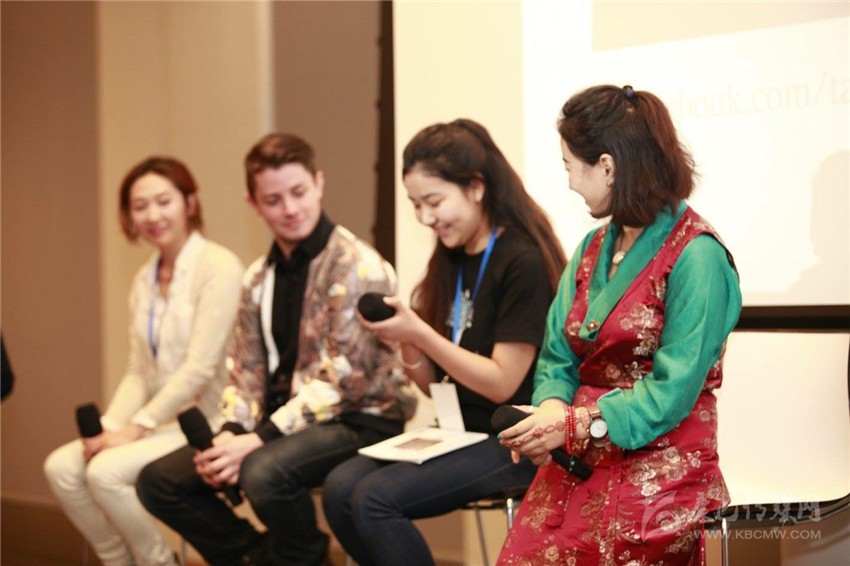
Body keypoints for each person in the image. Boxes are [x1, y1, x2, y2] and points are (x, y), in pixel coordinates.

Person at [136, 133, 418, 566]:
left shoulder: (358, 266)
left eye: (299, 192)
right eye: (273, 200)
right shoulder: (257, 277)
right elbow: (245, 368)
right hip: (284, 423)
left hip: (362, 418)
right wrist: (232, 433)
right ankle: (260, 557)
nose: (289, 209)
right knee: (159, 481)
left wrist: (257, 439)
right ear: (253, 203)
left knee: (263, 471)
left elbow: (342, 381)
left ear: (319, 183)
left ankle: (305, 556)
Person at [496, 85, 743, 565]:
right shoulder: (592, 248)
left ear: (607, 167)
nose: (570, 182)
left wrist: (571, 425)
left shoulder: (698, 256)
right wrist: (550, 415)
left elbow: (671, 393)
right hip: (577, 456)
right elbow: (557, 355)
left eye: (570, 166)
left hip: (660, 464)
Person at [322, 119, 567, 566]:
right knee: (339, 489)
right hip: (454, 429)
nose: (425, 218)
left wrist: (420, 332)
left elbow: (502, 382)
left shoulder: (522, 261)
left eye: (434, 202)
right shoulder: (450, 258)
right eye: (416, 205)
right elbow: (430, 384)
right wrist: (406, 340)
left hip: (509, 437)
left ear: (476, 187)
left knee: (374, 500)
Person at [43, 156, 244, 566]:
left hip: (207, 421)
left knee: (105, 474)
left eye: (163, 201)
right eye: (139, 206)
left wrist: (136, 428)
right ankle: (118, 561)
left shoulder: (218, 267)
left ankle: (158, 562)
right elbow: (139, 370)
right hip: (159, 421)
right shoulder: (144, 278)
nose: (152, 215)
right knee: (61, 467)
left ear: (190, 203)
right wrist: (108, 429)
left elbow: (200, 368)